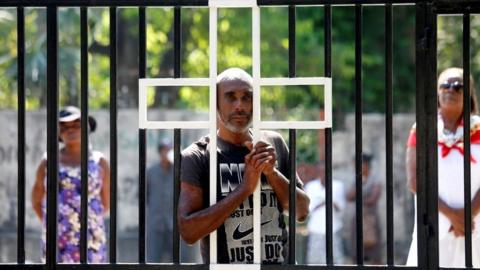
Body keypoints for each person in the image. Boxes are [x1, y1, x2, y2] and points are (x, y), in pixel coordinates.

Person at [178, 67, 310, 264]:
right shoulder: (197, 156)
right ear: (216, 103)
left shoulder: (273, 144)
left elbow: (302, 212)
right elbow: (188, 232)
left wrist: (271, 172)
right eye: (231, 97)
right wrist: (244, 189)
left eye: (247, 97)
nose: (239, 105)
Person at [406, 67, 480, 267]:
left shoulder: (479, 129)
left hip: (475, 225)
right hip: (434, 223)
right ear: (437, 92)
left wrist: (468, 215)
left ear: (469, 93)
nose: (451, 90)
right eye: (445, 85)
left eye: (458, 86)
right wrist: (453, 215)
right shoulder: (421, 128)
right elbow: (414, 181)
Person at [31, 106, 110, 263]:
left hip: (91, 236)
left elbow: (106, 202)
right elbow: (36, 200)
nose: (70, 129)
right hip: (58, 237)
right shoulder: (48, 161)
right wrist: (56, 222)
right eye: (64, 126)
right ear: (58, 132)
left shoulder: (99, 161)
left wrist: (88, 220)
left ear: (86, 128)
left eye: (76, 125)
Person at [304, 162, 346, 264]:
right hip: (316, 229)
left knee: (335, 260)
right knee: (315, 261)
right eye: (321, 171)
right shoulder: (311, 186)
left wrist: (329, 201)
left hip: (334, 228)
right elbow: (308, 210)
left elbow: (341, 208)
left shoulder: (337, 186)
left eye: (325, 171)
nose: (323, 174)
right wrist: (324, 202)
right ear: (317, 172)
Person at [346, 154, 382, 264]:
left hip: (371, 219)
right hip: (357, 219)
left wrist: (358, 198)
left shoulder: (375, 179)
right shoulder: (356, 179)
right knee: (355, 254)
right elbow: (348, 197)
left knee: (375, 255)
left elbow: (372, 199)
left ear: (366, 165)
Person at [146, 139, 175, 262]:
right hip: (156, 223)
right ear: (160, 152)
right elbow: (146, 196)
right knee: (154, 259)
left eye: (169, 150)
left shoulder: (179, 171)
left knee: (178, 259)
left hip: (174, 224)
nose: (167, 153)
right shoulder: (151, 172)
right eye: (164, 150)